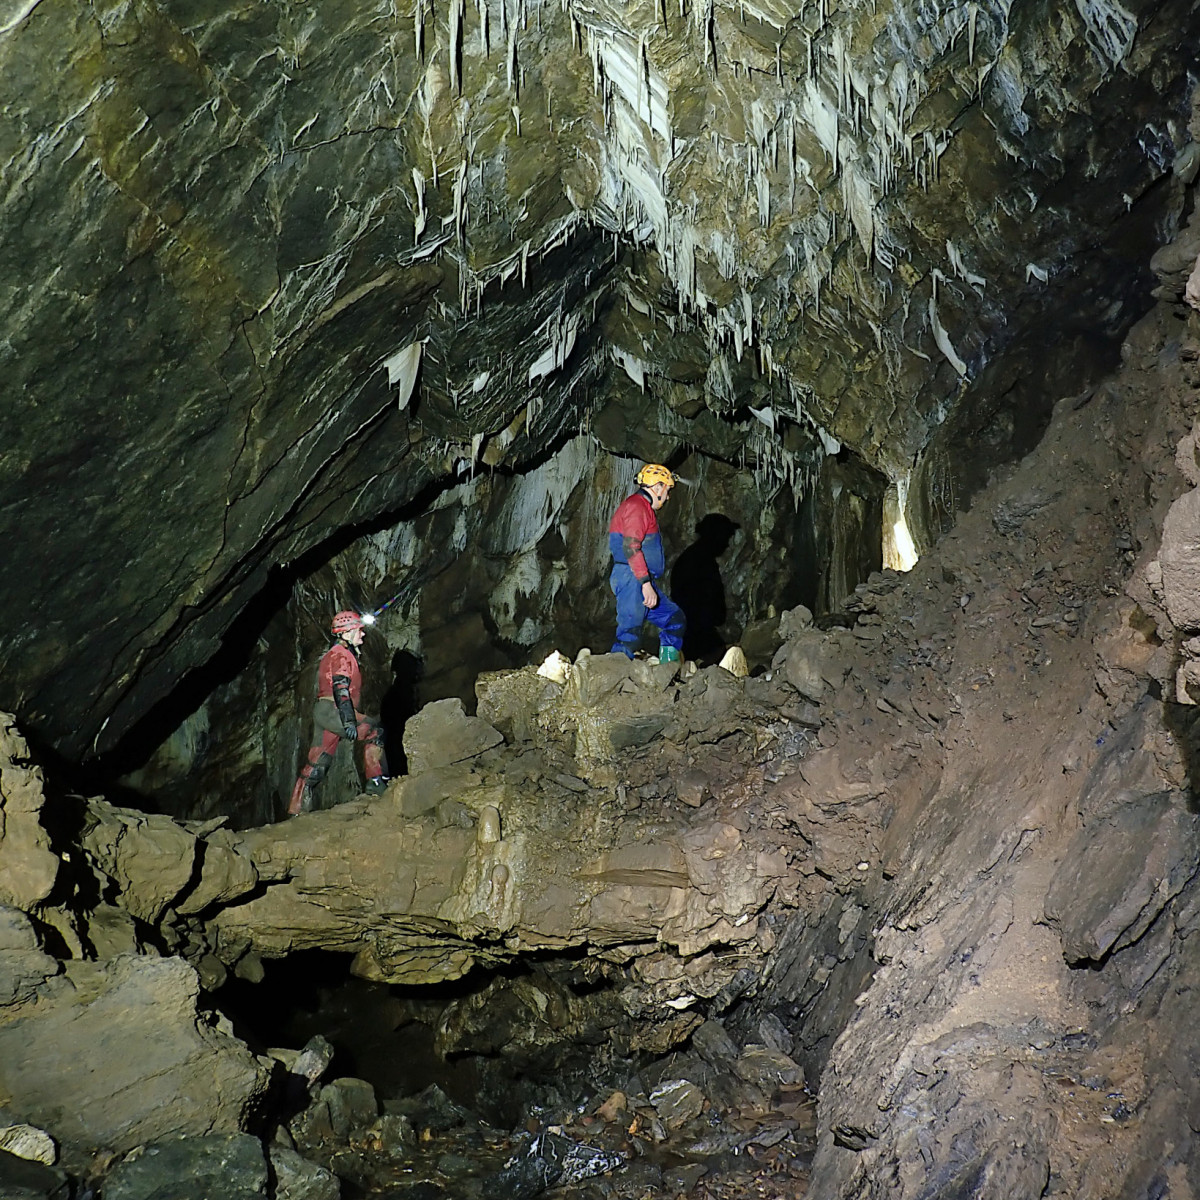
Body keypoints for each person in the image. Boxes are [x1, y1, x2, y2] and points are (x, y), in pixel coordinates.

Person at [287, 610, 389, 816]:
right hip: (336, 710)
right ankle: (377, 783)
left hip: (324, 711)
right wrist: (349, 720)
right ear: (346, 633)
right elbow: (341, 688)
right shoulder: (341, 656)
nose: (363, 634)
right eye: (359, 630)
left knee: (318, 759)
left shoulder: (333, 654)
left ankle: (296, 809)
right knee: (374, 731)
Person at [607, 463, 686, 662]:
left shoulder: (642, 508)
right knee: (629, 634)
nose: (667, 497)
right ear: (657, 487)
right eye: (667, 490)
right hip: (632, 578)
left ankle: (667, 670)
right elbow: (631, 546)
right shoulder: (637, 507)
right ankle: (613, 677)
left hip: (639, 578)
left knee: (675, 620)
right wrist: (645, 583)